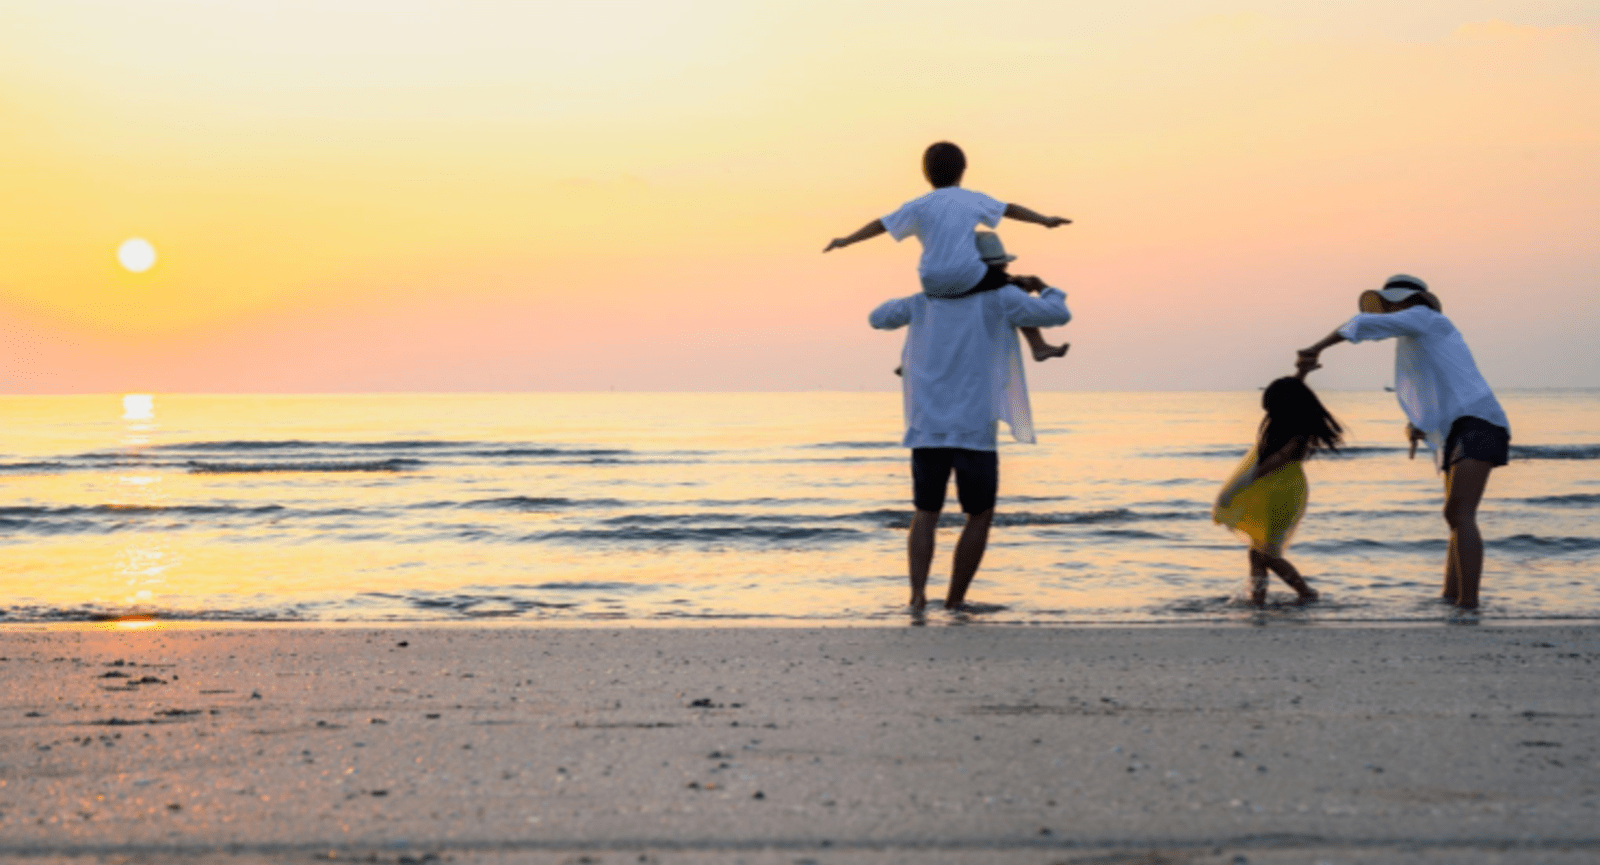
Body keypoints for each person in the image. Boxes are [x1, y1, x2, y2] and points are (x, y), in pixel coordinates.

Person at [868, 233, 1071, 613]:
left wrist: (924, 299)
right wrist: (1045, 288)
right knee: (978, 514)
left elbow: (877, 317)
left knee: (925, 514)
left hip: (927, 426)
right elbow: (1058, 314)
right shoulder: (1002, 299)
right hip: (975, 429)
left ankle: (916, 598)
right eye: (1000, 267)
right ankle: (955, 600)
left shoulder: (923, 302)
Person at [1296, 274, 1510, 610]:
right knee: (1455, 516)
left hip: (1479, 421)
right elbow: (1429, 388)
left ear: (1406, 301)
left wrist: (1316, 348)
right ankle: (1450, 599)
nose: (1388, 312)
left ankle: (1469, 605)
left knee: (1460, 513)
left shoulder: (1426, 319)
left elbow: (1362, 323)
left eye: (1390, 304)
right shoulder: (1416, 340)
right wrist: (1417, 423)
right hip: (1457, 428)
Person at [827, 141, 1072, 362]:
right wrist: (1045, 220)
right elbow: (1010, 209)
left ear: (926, 174)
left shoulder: (917, 205)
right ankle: (1038, 347)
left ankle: (911, 360)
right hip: (967, 274)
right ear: (963, 170)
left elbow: (881, 224)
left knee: (941, 305)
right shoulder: (970, 199)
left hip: (931, 281)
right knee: (1017, 286)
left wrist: (846, 240)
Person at [1213, 373, 1343, 606]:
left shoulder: (1298, 435)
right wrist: (1302, 371)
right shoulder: (1282, 426)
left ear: (1285, 407)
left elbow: (1269, 466)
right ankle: (1257, 599)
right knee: (1256, 552)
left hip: (1283, 493)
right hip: (1269, 490)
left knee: (1268, 554)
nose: (1268, 413)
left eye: (1272, 407)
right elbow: (1292, 389)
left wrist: (1232, 492)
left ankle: (1306, 592)